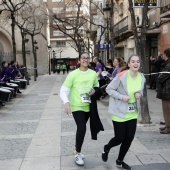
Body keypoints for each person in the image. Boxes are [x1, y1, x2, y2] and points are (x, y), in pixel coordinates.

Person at [102, 54, 145, 170]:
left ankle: (119, 161)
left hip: (132, 113)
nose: (136, 63)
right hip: (119, 113)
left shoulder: (142, 77)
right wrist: (121, 97)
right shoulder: (121, 76)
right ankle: (107, 147)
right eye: (133, 61)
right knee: (119, 138)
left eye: (138, 61)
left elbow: (141, 91)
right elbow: (109, 89)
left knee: (129, 138)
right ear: (129, 64)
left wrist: (139, 94)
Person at [60, 52, 100, 166]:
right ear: (79, 60)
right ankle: (77, 153)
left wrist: (94, 91)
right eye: (83, 58)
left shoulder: (93, 74)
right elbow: (63, 90)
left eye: (87, 58)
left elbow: (97, 87)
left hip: (89, 107)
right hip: (77, 106)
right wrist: (66, 103)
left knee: (80, 129)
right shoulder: (73, 74)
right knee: (82, 128)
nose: (86, 60)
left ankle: (77, 147)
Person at [156, 48, 170, 134]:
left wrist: (159, 76)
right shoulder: (167, 64)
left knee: (167, 110)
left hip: (167, 91)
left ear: (166, 55)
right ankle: (167, 125)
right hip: (167, 90)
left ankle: (168, 127)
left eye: (163, 54)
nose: (162, 56)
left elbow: (161, 77)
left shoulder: (168, 65)